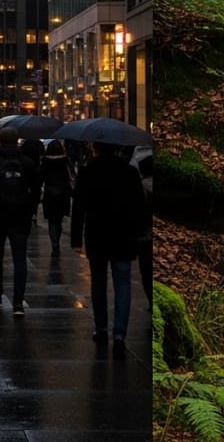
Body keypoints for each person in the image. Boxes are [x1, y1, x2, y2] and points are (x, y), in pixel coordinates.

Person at [70, 141, 145, 359]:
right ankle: (120, 333)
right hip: (123, 234)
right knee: (123, 284)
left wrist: (76, 238)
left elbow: (79, 207)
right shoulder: (129, 172)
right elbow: (139, 205)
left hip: (97, 234)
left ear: (95, 148)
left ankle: (102, 328)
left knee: (99, 282)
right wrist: (140, 232)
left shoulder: (87, 171)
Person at [0, 126, 40, 315]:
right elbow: (36, 190)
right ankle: (18, 302)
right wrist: (30, 211)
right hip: (20, 215)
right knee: (20, 258)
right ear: (17, 141)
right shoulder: (27, 163)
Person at [40, 139, 73, 256]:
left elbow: (41, 177)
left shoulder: (45, 161)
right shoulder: (65, 160)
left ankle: (54, 242)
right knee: (58, 219)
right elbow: (71, 175)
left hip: (49, 193)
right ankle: (56, 239)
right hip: (63, 193)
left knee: (51, 221)